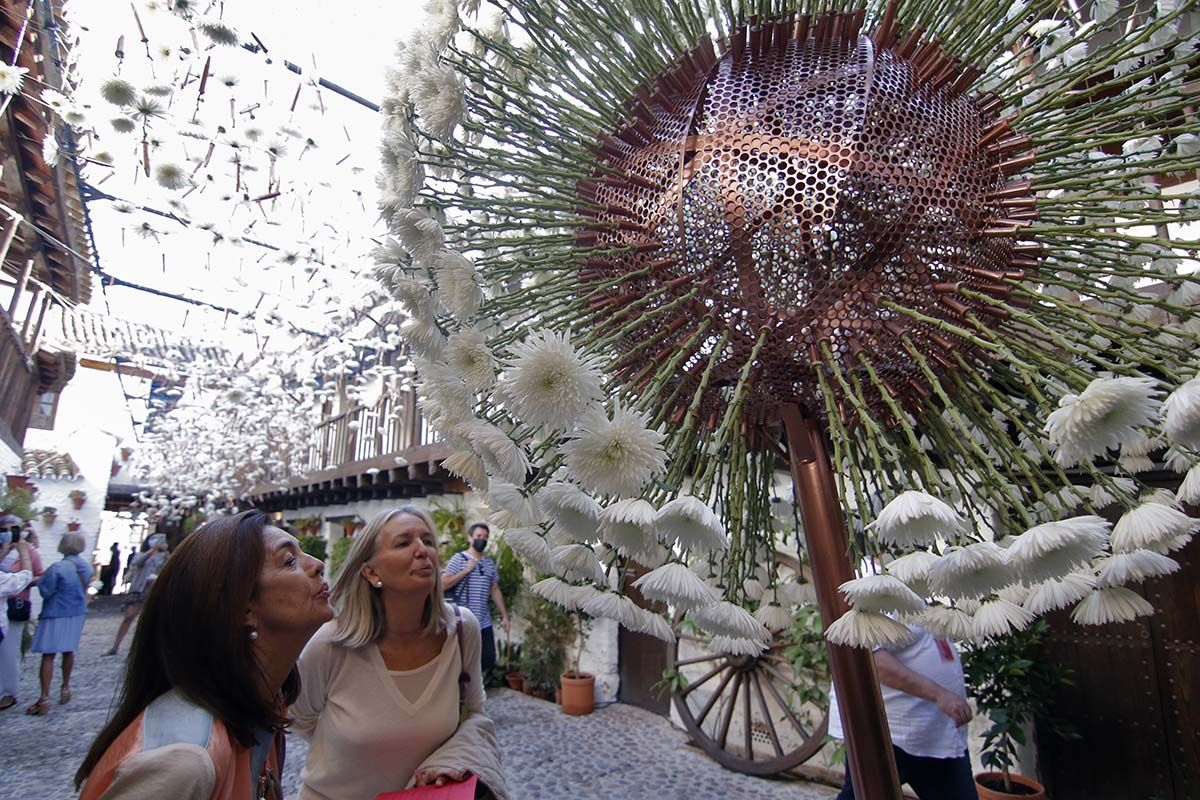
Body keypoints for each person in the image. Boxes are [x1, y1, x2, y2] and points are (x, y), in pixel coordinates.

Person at [76, 511, 332, 800]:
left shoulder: (265, 710)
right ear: (243, 608)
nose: (318, 564)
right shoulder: (183, 761)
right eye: (289, 561)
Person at [292, 507, 509, 800]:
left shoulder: (461, 629)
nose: (422, 550)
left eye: (428, 540)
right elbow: (300, 719)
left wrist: (451, 762)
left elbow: (474, 711)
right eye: (403, 543)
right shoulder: (332, 643)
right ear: (370, 571)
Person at [828, 622, 976, 800]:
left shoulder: (920, 596)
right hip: (889, 734)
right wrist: (939, 694)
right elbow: (870, 658)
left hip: (935, 733)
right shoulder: (876, 596)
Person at [25, 532, 92, 715]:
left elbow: (46, 591)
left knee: (49, 655)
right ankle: (65, 688)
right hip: (76, 613)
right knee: (69, 651)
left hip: (55, 612)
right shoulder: (85, 567)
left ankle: (44, 697)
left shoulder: (57, 567)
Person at [441, 522, 510, 673]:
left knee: (487, 659)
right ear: (470, 538)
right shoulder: (459, 559)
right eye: (479, 536)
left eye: (485, 537)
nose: (482, 539)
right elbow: (443, 584)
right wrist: (465, 571)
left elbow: (495, 589)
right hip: (462, 621)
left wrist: (505, 616)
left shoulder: (489, 563)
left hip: (483, 621)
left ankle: (477, 692)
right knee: (461, 664)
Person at [1, 521, 44, 710]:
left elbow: (38, 575)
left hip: (15, 605)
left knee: (9, 652)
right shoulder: (6, 551)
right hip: (4, 601)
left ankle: (9, 692)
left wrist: (24, 582)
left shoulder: (29, 552)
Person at [106, 534, 168, 656]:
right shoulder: (141, 554)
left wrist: (165, 553)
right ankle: (116, 646)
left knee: (153, 620)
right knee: (129, 617)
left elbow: (166, 567)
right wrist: (152, 550)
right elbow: (138, 563)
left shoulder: (163, 556)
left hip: (153, 590)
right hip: (138, 589)